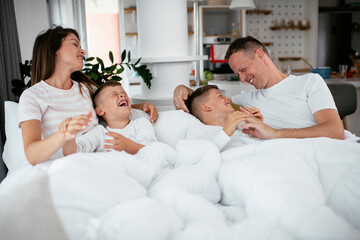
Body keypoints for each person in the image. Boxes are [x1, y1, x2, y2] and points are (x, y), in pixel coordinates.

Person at [19, 26, 158, 166]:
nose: (82, 51)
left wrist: (141, 106)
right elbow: (32, 155)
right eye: (75, 44)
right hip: (56, 169)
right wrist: (63, 135)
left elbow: (108, 104)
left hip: (94, 166)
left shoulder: (85, 89)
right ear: (54, 50)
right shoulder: (32, 96)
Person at [174, 36, 344, 140]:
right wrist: (180, 88)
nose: (242, 79)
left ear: (260, 55)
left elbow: (335, 131)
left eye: (243, 70)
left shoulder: (309, 82)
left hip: (326, 150)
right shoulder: (245, 101)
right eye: (237, 74)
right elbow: (205, 102)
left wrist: (274, 133)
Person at [63, 81, 156, 155]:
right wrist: (69, 137)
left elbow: (152, 151)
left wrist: (127, 146)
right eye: (114, 94)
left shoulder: (141, 123)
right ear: (100, 111)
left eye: (124, 93)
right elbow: (73, 152)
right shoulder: (99, 132)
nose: (122, 95)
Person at [184, 84, 263, 151]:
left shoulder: (239, 131)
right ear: (206, 107)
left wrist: (256, 129)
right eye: (220, 96)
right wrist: (225, 133)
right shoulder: (198, 130)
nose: (228, 98)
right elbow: (194, 159)